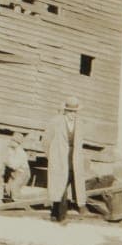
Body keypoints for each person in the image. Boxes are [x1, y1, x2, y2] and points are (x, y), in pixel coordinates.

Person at [44, 95, 87, 223]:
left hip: (74, 158)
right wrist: (51, 157)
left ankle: (56, 210)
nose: (73, 114)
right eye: (70, 111)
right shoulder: (55, 122)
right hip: (59, 158)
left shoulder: (80, 123)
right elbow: (46, 140)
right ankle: (61, 216)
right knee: (60, 184)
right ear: (65, 110)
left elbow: (80, 142)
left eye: (75, 112)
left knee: (69, 183)